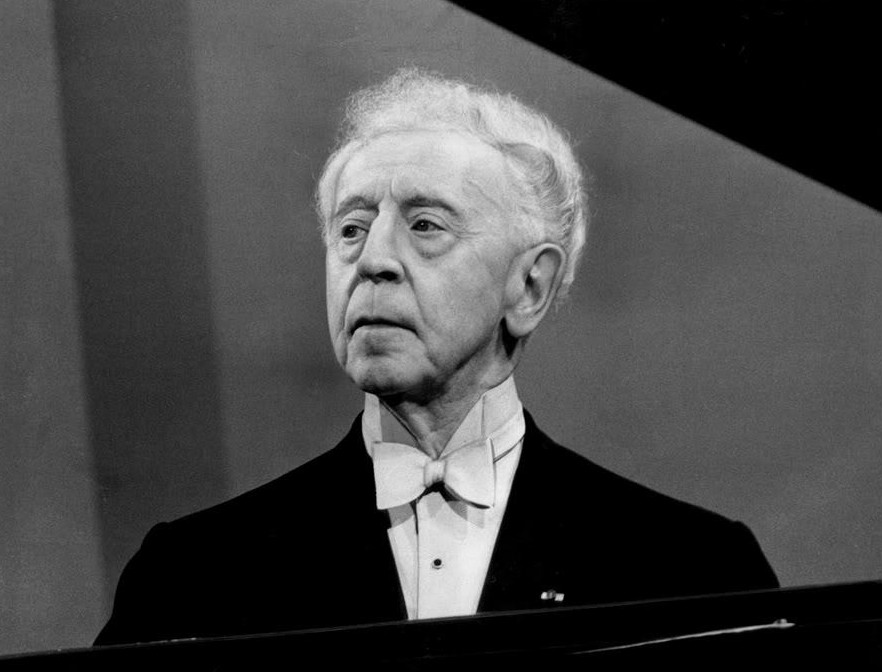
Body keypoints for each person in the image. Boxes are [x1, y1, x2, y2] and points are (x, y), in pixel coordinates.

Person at [95, 69, 777, 645]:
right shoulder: (190, 577)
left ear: (530, 285)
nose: (374, 261)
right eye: (352, 229)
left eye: (425, 225)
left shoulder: (694, 571)